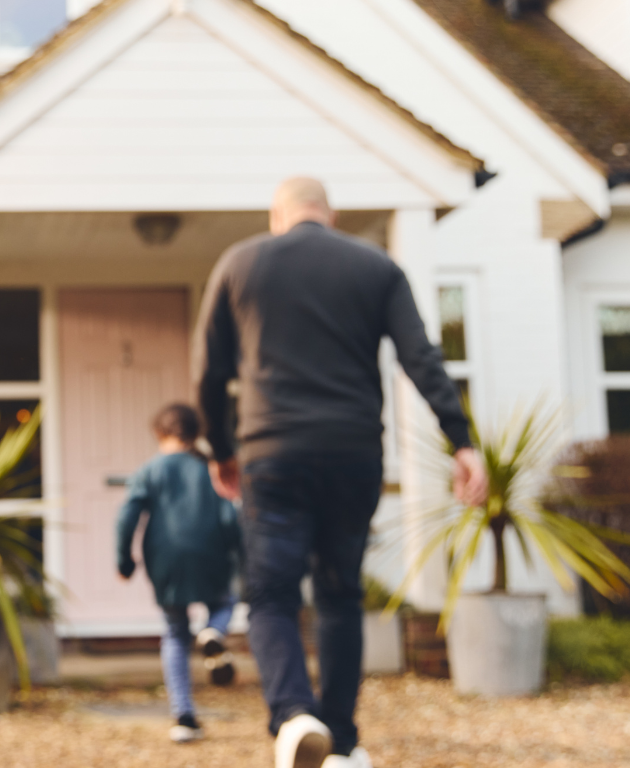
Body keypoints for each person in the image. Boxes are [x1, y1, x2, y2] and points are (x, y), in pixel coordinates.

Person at [195, 178, 487, 768]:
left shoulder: (241, 263)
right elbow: (420, 357)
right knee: (339, 595)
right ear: (328, 214)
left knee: (273, 594)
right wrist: (462, 441)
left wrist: (221, 449)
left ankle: (294, 716)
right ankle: (342, 740)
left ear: (278, 216)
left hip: (271, 453)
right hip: (353, 454)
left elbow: (208, 370)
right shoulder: (375, 266)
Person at [116, 403, 243, 745]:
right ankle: (213, 631)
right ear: (196, 433)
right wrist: (241, 555)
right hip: (211, 554)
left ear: (160, 434)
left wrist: (124, 560)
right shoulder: (210, 468)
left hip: (165, 559)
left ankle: (184, 717)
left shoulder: (149, 471)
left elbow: (127, 516)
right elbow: (231, 516)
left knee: (174, 632)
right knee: (225, 601)